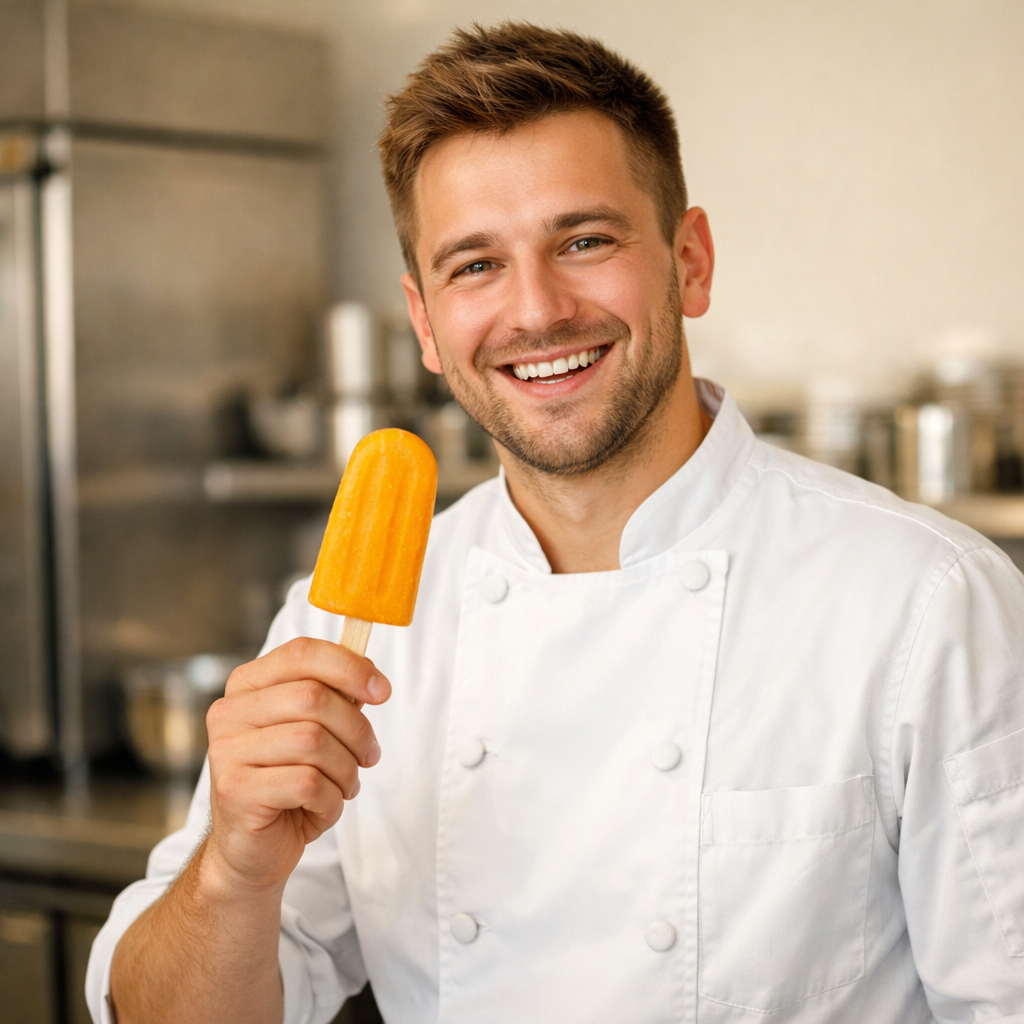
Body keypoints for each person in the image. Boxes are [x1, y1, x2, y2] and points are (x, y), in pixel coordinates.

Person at [88, 22, 1024, 1024]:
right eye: (475, 265)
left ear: (690, 261)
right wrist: (233, 868)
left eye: (584, 240)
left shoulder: (925, 603)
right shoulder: (346, 630)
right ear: (426, 326)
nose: (535, 311)